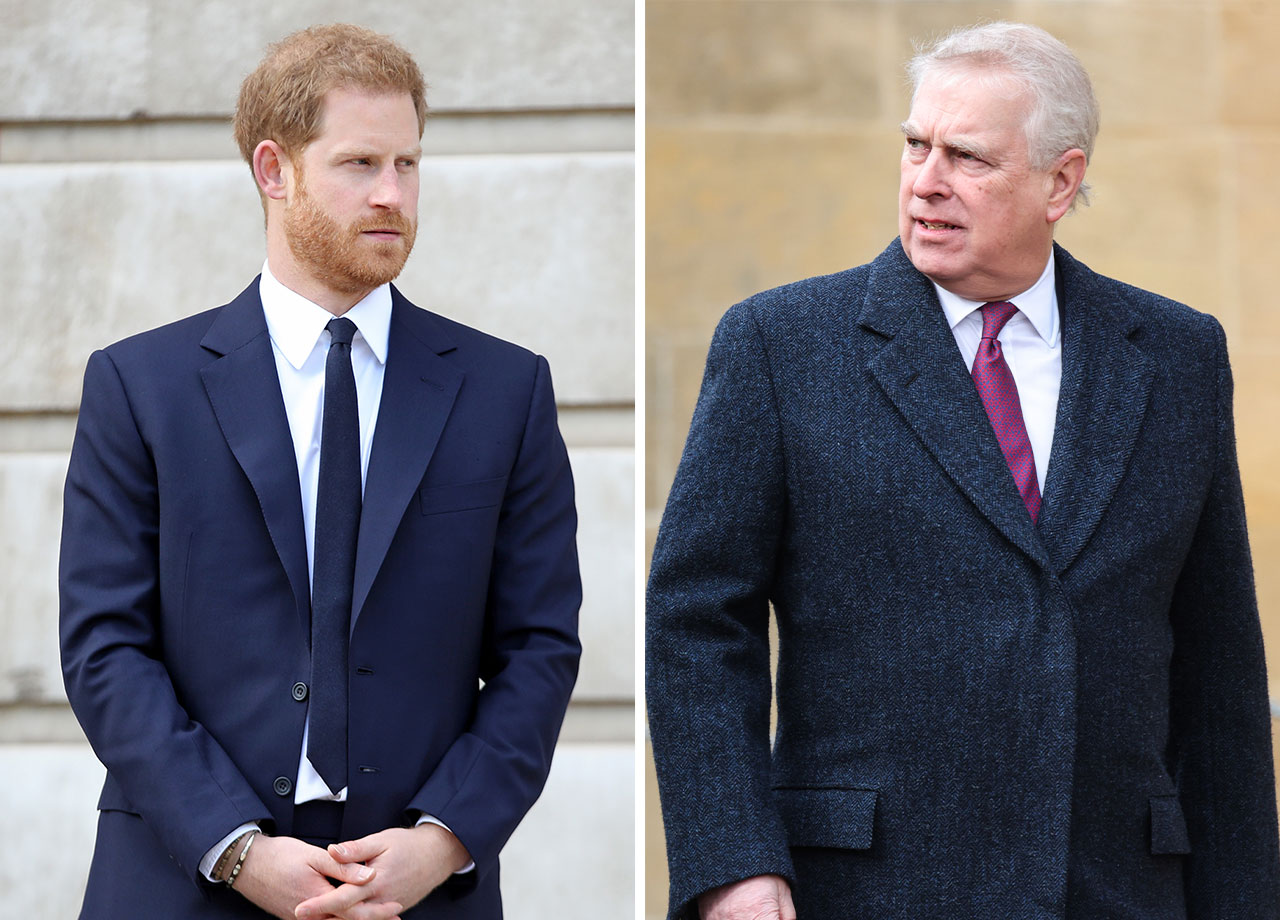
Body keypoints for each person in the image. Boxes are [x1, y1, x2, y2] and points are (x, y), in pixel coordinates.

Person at [646, 21, 1279, 920]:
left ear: (1061, 180)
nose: (926, 182)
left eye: (968, 157)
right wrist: (733, 863)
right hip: (865, 891)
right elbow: (695, 623)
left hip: (1118, 890)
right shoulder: (780, 346)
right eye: (915, 145)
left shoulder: (1177, 356)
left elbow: (1219, 671)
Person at [59, 23, 581, 920]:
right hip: (182, 881)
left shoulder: (506, 390)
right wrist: (235, 848)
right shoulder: (140, 386)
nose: (393, 195)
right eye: (360, 164)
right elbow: (105, 647)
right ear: (274, 170)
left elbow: (540, 647)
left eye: (409, 165)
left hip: (418, 892)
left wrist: (443, 840)